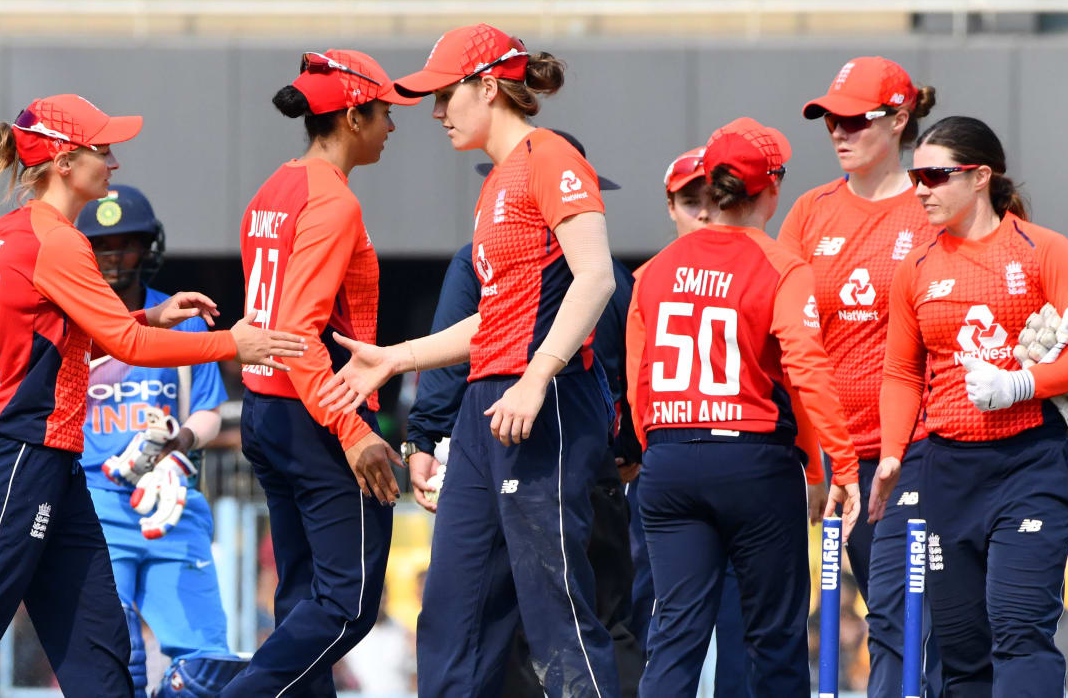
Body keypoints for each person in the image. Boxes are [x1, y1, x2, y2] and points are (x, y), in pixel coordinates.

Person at [0, 93, 303, 698]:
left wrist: (152, 319)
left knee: (98, 640)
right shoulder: (55, 241)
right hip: (21, 454)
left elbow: (63, 342)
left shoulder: (13, 232)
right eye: (102, 150)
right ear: (62, 161)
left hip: (42, 456)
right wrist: (230, 344)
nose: (113, 163)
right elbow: (124, 343)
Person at [317, 25, 620, 696]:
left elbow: (596, 277)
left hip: (540, 405)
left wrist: (538, 376)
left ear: (487, 86)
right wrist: (395, 359)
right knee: (453, 615)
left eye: (444, 95)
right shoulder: (497, 184)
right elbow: (495, 318)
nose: (433, 112)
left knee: (555, 612)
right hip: (487, 410)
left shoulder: (551, 158)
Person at [875, 115, 1068, 693]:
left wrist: (1021, 385)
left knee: (1019, 630)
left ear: (981, 176)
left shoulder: (1041, 249)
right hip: (947, 469)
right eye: (916, 177)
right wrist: (890, 454)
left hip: (1029, 462)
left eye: (936, 175)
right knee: (961, 647)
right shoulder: (915, 268)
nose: (922, 189)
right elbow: (901, 372)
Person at [624, 118, 861, 695]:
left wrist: (658, 452)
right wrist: (840, 464)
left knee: (674, 637)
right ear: (772, 188)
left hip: (670, 457)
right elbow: (806, 369)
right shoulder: (781, 265)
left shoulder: (652, 272)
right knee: (774, 641)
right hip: (753, 458)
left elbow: (639, 388)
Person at [404, 147, 646, 697]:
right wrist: (631, 441)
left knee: (543, 622)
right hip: (588, 457)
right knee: (595, 621)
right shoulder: (619, 275)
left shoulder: (495, 259)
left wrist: (422, 433)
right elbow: (637, 369)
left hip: (541, 433)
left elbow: (469, 360)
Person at [224, 49, 415, 696]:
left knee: (304, 597)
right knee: (347, 602)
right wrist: (353, 429)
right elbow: (300, 331)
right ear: (354, 117)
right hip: (319, 413)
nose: (393, 126)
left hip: (267, 411)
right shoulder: (334, 203)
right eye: (386, 113)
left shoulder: (272, 190)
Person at [780, 56, 943, 697]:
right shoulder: (810, 211)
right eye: (829, 121)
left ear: (900, 119)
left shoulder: (931, 206)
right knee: (885, 613)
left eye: (854, 120)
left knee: (907, 620)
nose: (839, 133)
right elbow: (786, 339)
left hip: (918, 448)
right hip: (841, 456)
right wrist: (816, 460)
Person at [73, 184, 233, 692]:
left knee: (205, 671)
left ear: (148, 246)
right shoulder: (73, 322)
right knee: (116, 659)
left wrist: (179, 444)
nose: (115, 255)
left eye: (127, 242)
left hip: (172, 501)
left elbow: (209, 410)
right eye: (102, 244)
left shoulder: (181, 318)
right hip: (95, 506)